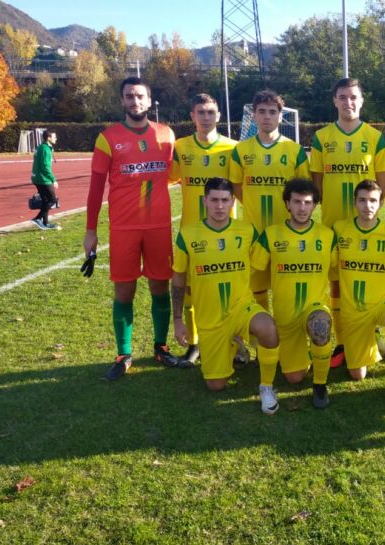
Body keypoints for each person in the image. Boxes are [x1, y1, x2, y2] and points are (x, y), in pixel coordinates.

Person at [84, 76, 181, 380]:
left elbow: (178, 174)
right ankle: (123, 354)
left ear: (149, 101)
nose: (135, 101)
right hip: (124, 227)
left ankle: (161, 347)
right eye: (129, 96)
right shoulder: (107, 138)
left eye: (140, 96)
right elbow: (95, 188)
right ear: (122, 101)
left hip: (158, 225)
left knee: (159, 287)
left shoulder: (167, 135)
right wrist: (90, 230)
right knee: (124, 290)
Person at [171, 178, 282, 414]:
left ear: (233, 201)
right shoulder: (188, 234)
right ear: (205, 201)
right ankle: (236, 345)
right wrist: (178, 320)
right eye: (214, 200)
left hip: (242, 308)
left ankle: (266, 386)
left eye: (224, 200)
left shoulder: (246, 230)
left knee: (269, 327)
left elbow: (264, 258)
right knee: (215, 385)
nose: (219, 206)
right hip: (210, 319)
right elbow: (179, 279)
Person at [309, 77, 385, 368]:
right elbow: (316, 182)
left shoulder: (374, 136)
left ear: (362, 100)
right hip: (334, 221)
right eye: (343, 97)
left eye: (354, 97)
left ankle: (373, 332)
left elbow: (383, 181)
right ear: (334, 101)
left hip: (366, 225)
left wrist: (370, 211)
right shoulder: (322, 137)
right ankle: (343, 340)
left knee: (369, 279)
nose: (349, 102)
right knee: (336, 284)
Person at [250, 179, 337, 409]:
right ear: (287, 204)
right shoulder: (271, 235)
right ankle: (310, 356)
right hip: (285, 317)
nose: (302, 208)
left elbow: (339, 270)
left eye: (307, 203)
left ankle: (320, 384)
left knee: (320, 326)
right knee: (294, 378)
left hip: (315, 308)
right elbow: (251, 269)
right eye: (296, 202)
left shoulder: (328, 236)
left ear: (315, 206)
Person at [169, 93, 239, 365]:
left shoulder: (233, 148)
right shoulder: (181, 146)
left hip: (226, 231)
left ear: (218, 116)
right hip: (191, 229)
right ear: (192, 116)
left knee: (226, 288)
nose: (206, 117)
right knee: (189, 288)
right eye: (201, 112)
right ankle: (195, 343)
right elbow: (170, 177)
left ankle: (233, 340)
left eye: (211, 112)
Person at [332, 180, 385, 409]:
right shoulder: (340, 230)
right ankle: (372, 340)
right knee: (357, 374)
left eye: (373, 201)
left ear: (380, 205)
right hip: (353, 310)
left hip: (381, 302)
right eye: (362, 200)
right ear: (355, 203)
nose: (367, 205)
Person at [229, 89, 310, 313]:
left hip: (287, 231)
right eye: (262, 111)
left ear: (280, 116)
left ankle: (286, 331)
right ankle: (262, 339)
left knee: (286, 286)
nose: (267, 116)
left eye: (272, 112)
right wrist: (252, 204)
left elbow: (304, 191)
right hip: (254, 230)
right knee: (257, 288)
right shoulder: (241, 150)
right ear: (254, 115)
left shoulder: (294, 150)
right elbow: (236, 185)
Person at [30, 130, 60, 230]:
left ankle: (45, 223)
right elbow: (45, 167)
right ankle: (37, 218)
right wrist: (53, 179)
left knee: (45, 200)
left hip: (37, 177)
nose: (56, 138)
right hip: (43, 179)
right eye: (54, 137)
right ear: (49, 138)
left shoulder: (42, 147)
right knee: (52, 200)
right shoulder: (45, 149)